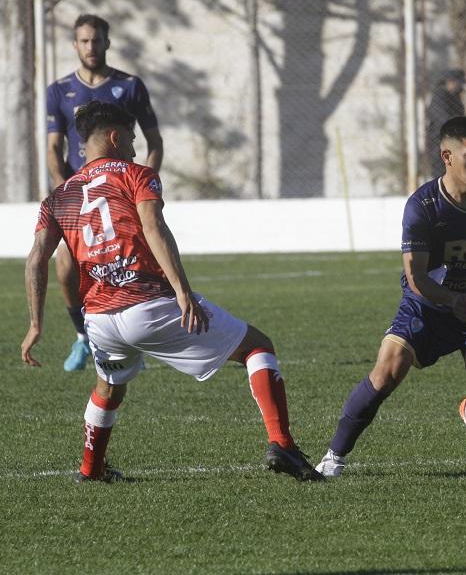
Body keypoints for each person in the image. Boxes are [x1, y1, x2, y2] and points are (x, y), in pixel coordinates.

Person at [21, 101, 321, 483]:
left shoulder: (58, 196)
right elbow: (153, 227)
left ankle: (90, 470)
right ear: (115, 137)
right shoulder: (137, 174)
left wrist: (35, 324)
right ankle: (283, 444)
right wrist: (182, 291)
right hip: (147, 305)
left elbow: (35, 260)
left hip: (99, 319)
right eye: (130, 138)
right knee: (257, 346)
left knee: (109, 387)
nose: (133, 146)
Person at [315, 116, 466, 477]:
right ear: (447, 157)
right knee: (386, 373)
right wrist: (449, 300)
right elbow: (415, 276)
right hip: (428, 305)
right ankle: (333, 457)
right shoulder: (423, 206)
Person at [47, 14, 164, 372]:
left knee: (141, 258)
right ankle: (83, 337)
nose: (91, 47)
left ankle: (137, 337)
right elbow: (54, 147)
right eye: (83, 41)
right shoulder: (59, 90)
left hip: (124, 192)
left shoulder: (129, 87)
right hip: (79, 194)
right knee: (65, 263)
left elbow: (154, 141)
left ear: (107, 43)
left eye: (96, 40)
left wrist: (142, 185)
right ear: (75, 44)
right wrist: (66, 190)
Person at [425, 69, 466, 178]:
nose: (460, 86)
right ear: (450, 82)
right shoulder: (440, 96)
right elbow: (444, 118)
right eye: (459, 83)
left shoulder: (455, 97)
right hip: (440, 141)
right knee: (441, 173)